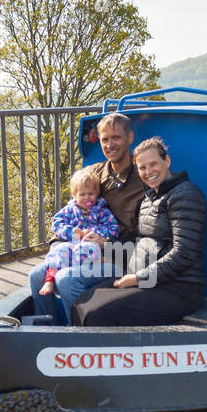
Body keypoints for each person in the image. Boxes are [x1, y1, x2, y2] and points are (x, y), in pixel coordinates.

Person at [72, 137, 206, 327]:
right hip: (147, 279)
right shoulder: (148, 199)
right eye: (142, 168)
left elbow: (184, 253)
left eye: (153, 164)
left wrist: (137, 278)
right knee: (81, 303)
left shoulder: (185, 194)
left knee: (96, 314)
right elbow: (141, 246)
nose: (148, 172)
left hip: (178, 288)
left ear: (166, 161)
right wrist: (105, 246)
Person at [27, 112, 148, 323]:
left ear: (129, 138)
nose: (110, 144)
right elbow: (70, 214)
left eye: (116, 138)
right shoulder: (93, 174)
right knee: (37, 275)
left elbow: (146, 234)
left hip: (119, 257)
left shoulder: (143, 179)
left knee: (66, 279)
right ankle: (48, 330)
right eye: (105, 139)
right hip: (82, 250)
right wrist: (60, 243)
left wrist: (107, 244)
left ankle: (83, 331)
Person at [35, 169, 119, 296]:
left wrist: (95, 232)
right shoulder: (69, 210)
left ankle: (66, 278)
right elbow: (57, 223)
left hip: (90, 245)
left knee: (87, 248)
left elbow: (113, 228)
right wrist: (70, 231)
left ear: (97, 194)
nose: (87, 198)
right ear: (74, 195)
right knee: (60, 250)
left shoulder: (102, 211)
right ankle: (50, 279)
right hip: (71, 244)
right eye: (82, 194)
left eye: (91, 194)